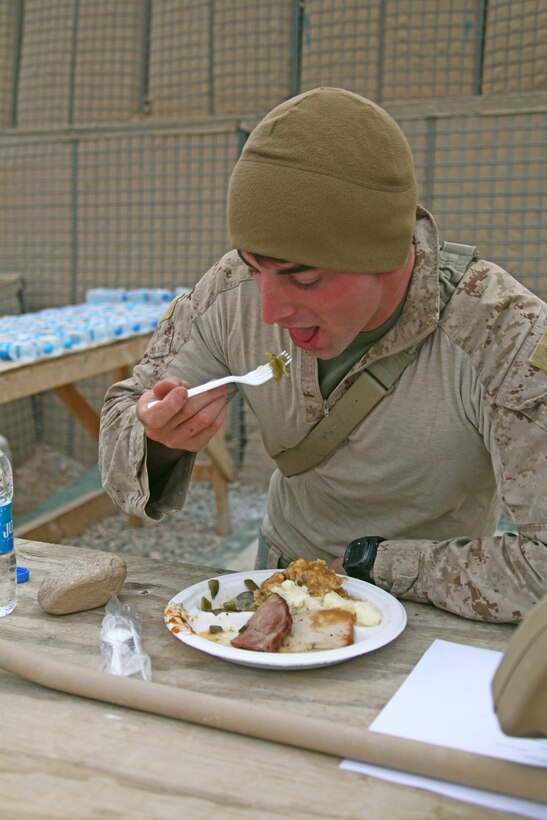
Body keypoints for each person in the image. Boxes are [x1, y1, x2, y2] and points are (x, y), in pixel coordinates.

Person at [99, 87, 546, 623]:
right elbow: (124, 418)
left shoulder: (503, 334)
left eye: (303, 278)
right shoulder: (231, 291)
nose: (269, 310)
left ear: (385, 252)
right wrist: (157, 437)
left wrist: (380, 567)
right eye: (255, 266)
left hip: (437, 611)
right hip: (280, 583)